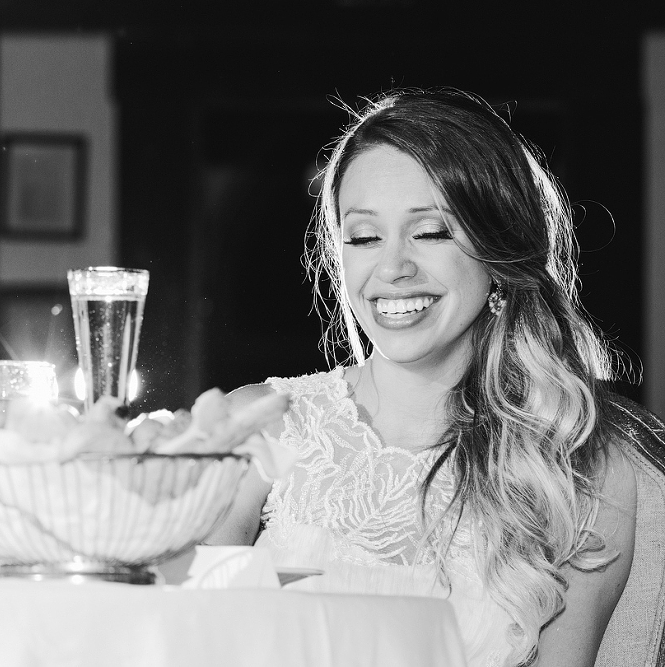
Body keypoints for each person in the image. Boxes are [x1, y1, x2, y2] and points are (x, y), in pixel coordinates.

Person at [209, 89, 636, 667]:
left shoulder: (578, 466)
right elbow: (173, 632)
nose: (392, 268)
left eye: (430, 232)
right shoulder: (260, 424)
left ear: (499, 249)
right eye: (364, 237)